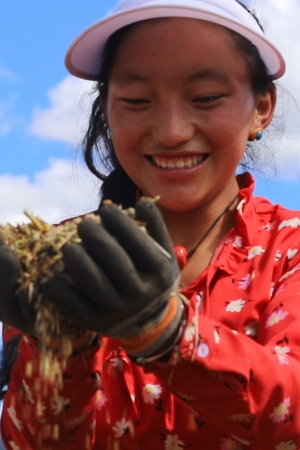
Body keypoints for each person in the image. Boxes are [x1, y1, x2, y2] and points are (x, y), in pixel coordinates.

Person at [1, 0, 300, 448]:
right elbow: (32, 441)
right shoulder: (62, 257)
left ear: (261, 106)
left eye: (205, 98)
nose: (172, 130)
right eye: (137, 101)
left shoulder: (289, 249)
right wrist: (59, 349)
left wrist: (165, 331)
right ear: (107, 108)